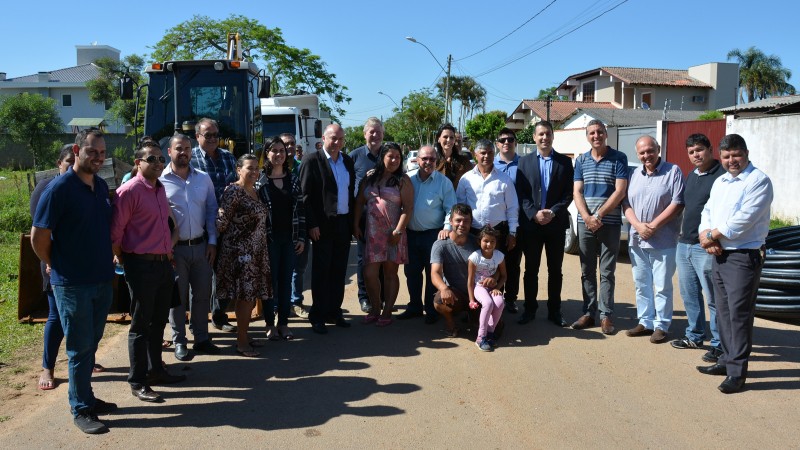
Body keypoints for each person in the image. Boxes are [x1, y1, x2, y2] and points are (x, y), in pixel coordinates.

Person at [31, 129, 117, 434]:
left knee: (90, 346)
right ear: (77, 151)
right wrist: (55, 263)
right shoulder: (59, 189)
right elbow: (38, 237)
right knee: (79, 349)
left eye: (102, 152)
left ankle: (87, 397)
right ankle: (80, 409)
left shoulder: (99, 186)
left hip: (101, 280)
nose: (98, 157)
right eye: (92, 151)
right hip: (72, 284)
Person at [697, 134, 773, 394]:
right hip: (719, 254)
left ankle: (737, 374)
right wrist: (706, 235)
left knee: (739, 317)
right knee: (724, 313)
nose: (732, 161)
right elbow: (707, 211)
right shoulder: (721, 182)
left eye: (736, 155)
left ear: (746, 153)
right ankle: (727, 361)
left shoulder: (758, 181)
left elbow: (745, 220)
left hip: (743, 256)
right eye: (727, 156)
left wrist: (711, 235)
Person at [112, 140, 183, 405]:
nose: (157, 163)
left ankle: (156, 370)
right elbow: (116, 233)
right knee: (140, 324)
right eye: (150, 159)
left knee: (158, 320)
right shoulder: (129, 191)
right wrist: (125, 260)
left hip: (163, 263)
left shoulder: (159, 189)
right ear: (138, 163)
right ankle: (138, 381)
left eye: (159, 159)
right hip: (140, 265)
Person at [160, 134, 220, 361]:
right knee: (177, 298)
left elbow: (212, 211)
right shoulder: (160, 181)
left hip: (201, 245)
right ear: (169, 152)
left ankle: (202, 339)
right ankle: (179, 341)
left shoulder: (203, 179)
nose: (183, 152)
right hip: (175, 250)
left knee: (202, 294)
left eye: (187, 148)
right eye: (178, 148)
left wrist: (213, 241)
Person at [622, 136, 685, 343]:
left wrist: (653, 226)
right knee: (641, 284)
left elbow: (677, 203)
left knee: (662, 285)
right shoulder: (633, 175)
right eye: (642, 152)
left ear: (658, 149)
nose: (646, 156)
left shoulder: (673, 171)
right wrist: (639, 226)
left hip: (663, 240)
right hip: (637, 239)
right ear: (637, 154)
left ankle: (662, 325)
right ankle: (645, 321)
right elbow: (626, 204)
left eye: (650, 151)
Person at [670, 134, 725, 362]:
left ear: (711, 149)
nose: (696, 155)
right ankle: (694, 335)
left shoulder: (722, 177)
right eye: (692, 152)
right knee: (689, 294)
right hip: (685, 244)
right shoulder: (691, 175)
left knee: (713, 297)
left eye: (700, 150)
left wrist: (714, 240)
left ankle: (719, 344)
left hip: (707, 246)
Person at [571, 119, 628, 334]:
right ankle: (588, 313)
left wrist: (598, 216)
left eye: (599, 132)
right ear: (587, 136)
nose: (596, 136)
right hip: (585, 223)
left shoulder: (618, 158)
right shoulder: (581, 160)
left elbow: (620, 191)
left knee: (607, 272)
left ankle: (606, 316)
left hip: (609, 223)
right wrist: (587, 217)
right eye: (592, 133)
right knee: (587, 270)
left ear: (606, 134)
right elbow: (577, 191)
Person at [515, 121, 574, 327]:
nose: (544, 138)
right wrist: (534, 214)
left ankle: (554, 311)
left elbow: (568, 194)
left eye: (547, 134)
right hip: (532, 226)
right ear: (534, 137)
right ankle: (529, 309)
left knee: (555, 271)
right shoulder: (524, 162)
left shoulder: (565, 163)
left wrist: (553, 212)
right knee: (531, 270)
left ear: (552, 136)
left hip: (555, 226)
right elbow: (520, 194)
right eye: (540, 134)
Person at [299, 123, 356, 334]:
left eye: (340, 139)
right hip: (321, 225)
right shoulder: (311, 160)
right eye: (333, 138)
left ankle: (334, 311)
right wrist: (311, 224)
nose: (336, 143)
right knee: (322, 271)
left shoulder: (347, 161)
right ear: (323, 138)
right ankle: (318, 315)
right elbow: (305, 197)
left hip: (343, 223)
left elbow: (349, 193)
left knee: (339, 269)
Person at [216, 154, 273, 356]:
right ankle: (241, 342)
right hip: (240, 255)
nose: (254, 172)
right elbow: (221, 223)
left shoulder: (255, 191)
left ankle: (245, 335)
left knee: (250, 296)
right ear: (238, 170)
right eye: (249, 168)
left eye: (256, 168)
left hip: (257, 252)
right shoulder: (234, 191)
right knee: (245, 297)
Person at [30, 145, 77, 390]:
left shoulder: (88, 185)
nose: (71, 165)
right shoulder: (46, 188)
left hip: (81, 265)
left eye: (74, 160)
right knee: (56, 316)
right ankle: (47, 367)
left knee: (82, 317)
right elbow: (40, 231)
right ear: (59, 163)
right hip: (54, 264)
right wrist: (50, 262)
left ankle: (81, 360)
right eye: (67, 161)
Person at [353, 142, 414, 326]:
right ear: (382, 157)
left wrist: (398, 230)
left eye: (398, 157)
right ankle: (375, 306)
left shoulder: (403, 180)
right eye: (390, 156)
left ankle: (387, 311)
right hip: (372, 234)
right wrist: (355, 224)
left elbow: (408, 207)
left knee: (390, 273)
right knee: (369, 273)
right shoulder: (370, 178)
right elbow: (358, 202)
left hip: (393, 234)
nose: (394, 160)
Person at [456, 139, 519, 312]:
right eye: (482, 152)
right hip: (473, 232)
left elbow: (513, 207)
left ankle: (497, 308)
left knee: (496, 268)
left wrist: (512, 232)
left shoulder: (504, 179)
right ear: (475, 154)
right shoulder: (466, 179)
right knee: (473, 269)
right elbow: (460, 207)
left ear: (494, 154)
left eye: (490, 152)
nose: (486, 156)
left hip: (497, 232)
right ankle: (473, 306)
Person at [398, 145, 456, 324]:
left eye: (432, 159)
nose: (428, 162)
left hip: (434, 236)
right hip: (411, 234)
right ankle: (414, 307)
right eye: (424, 159)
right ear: (417, 160)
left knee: (433, 274)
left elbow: (451, 209)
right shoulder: (408, 180)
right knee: (412, 272)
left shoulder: (443, 182)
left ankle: (431, 309)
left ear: (436, 160)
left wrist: (447, 227)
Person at [190, 118, 238, 332]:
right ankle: (197, 325)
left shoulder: (228, 158)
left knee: (225, 276)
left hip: (227, 227)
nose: (212, 139)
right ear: (197, 136)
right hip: (200, 227)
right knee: (200, 280)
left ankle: (219, 317)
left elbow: (236, 187)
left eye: (215, 135)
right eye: (207, 135)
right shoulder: (189, 159)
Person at [258, 137, 306, 341]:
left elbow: (302, 211)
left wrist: (301, 237)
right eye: (274, 150)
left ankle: (284, 323)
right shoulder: (260, 180)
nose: (278, 154)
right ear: (267, 153)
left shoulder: (293, 179)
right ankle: (270, 324)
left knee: (286, 282)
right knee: (269, 284)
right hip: (268, 239)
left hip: (289, 238)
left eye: (282, 150)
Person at [350, 117, 385, 314]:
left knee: (382, 259)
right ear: (365, 134)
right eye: (371, 131)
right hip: (362, 217)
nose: (375, 135)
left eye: (378, 131)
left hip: (384, 219)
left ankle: (381, 297)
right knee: (364, 259)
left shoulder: (389, 155)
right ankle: (365, 297)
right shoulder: (354, 156)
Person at [432, 204, 481, 337]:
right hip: (456, 293)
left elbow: (492, 264)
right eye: (458, 220)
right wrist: (444, 288)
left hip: (477, 293)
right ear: (450, 221)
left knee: (496, 330)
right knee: (438, 302)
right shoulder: (440, 244)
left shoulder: (477, 242)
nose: (462, 224)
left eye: (466, 221)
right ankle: (451, 323)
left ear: (471, 222)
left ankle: (473, 315)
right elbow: (435, 273)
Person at [278, 134, 310, 319]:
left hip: (300, 224)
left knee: (299, 267)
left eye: (292, 144)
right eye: (285, 144)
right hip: (279, 227)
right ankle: (279, 305)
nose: (289, 147)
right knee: (279, 269)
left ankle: (296, 301)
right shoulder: (270, 169)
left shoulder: (302, 167)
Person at [494, 127, 522, 313]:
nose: (506, 142)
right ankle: (495, 297)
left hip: (519, 221)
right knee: (495, 262)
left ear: (515, 142)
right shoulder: (490, 163)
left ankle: (511, 299)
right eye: (502, 140)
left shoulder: (525, 164)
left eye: (510, 139)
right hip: (497, 224)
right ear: (497, 144)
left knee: (513, 263)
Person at [468, 226, 507, 352]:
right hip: (478, 287)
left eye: (492, 241)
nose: (489, 244)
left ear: (496, 243)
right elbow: (470, 280)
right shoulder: (475, 257)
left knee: (500, 303)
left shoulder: (499, 256)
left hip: (492, 288)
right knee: (488, 303)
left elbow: (504, 275)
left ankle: (490, 334)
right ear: (479, 241)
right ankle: (480, 337)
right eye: (486, 241)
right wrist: (471, 299)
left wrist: (497, 287)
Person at [435, 123, 473, 189]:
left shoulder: (464, 162)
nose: (448, 140)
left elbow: (472, 182)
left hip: (458, 198)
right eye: (445, 137)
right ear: (439, 139)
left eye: (451, 137)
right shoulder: (433, 161)